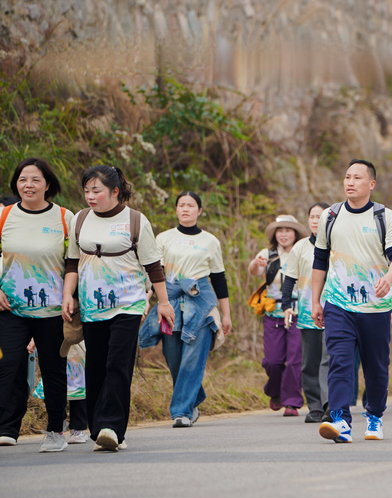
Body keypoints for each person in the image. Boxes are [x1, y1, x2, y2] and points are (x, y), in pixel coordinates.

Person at [62, 165, 175, 451]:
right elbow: (73, 262)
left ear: (114, 191)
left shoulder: (136, 221)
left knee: (118, 363)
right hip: (91, 305)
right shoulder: (80, 219)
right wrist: (68, 295)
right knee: (96, 365)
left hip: (128, 303)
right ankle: (99, 428)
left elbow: (153, 266)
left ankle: (112, 426)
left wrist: (163, 302)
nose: (90, 196)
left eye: (96, 190)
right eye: (86, 190)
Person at [313, 159, 392, 442]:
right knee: (340, 361)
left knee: (376, 366)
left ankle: (375, 416)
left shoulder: (384, 216)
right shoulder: (330, 216)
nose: (350, 182)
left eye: (357, 178)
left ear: (371, 184)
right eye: (347, 177)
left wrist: (388, 279)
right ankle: (340, 420)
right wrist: (316, 301)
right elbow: (320, 260)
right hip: (338, 303)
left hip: (375, 307)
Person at [139, 192, 233, 427]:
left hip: (200, 298)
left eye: (191, 205)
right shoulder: (164, 238)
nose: (186, 209)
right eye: (181, 205)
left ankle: (181, 411)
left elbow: (219, 278)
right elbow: (155, 272)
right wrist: (147, 299)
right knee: (173, 357)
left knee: (193, 357)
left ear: (199, 211)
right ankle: (194, 396)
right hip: (169, 297)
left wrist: (226, 314)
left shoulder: (210, 241)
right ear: (176, 209)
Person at [0, 158, 73, 451]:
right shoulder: (4, 216)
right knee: (6, 365)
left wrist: (70, 295)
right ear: (16, 184)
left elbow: (74, 262)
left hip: (53, 309)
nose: (28, 185)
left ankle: (56, 430)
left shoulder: (66, 218)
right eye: (22, 179)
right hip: (10, 309)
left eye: (35, 180)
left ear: (48, 184)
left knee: (54, 369)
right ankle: (6, 427)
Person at [249, 214, 308, 416]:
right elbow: (254, 271)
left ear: (295, 234)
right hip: (273, 313)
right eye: (280, 230)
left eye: (288, 230)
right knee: (273, 361)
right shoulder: (268, 253)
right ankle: (275, 391)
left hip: (298, 312)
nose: (283, 234)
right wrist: (257, 263)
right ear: (275, 234)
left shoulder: (303, 253)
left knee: (294, 359)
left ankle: (292, 402)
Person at [281, 202, 331, 423]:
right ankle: (315, 407)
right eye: (311, 216)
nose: (315, 220)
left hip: (334, 313)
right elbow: (289, 278)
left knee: (329, 359)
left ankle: (331, 404)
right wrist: (286, 305)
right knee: (310, 361)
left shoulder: (336, 245)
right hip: (307, 313)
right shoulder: (300, 247)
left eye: (320, 217)